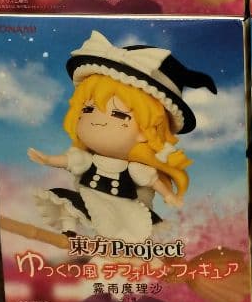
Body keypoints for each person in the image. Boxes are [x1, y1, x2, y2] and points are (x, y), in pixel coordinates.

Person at [28, 30, 216, 242]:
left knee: (131, 230)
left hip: (124, 208)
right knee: (68, 204)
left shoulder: (135, 169)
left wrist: (169, 195)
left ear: (145, 132)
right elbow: (70, 161)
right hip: (92, 198)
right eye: (88, 109)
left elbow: (152, 181)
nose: (98, 120)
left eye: (119, 114)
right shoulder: (87, 159)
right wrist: (47, 159)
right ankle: (69, 233)